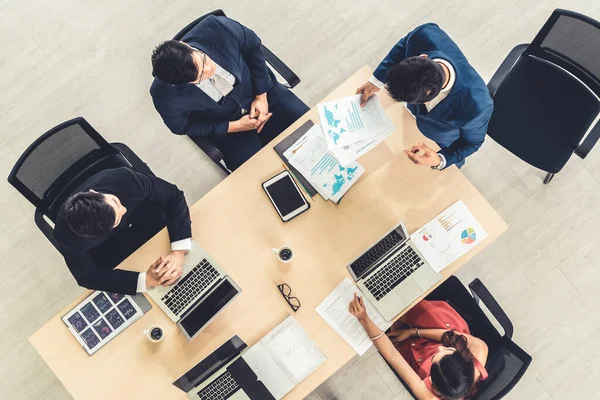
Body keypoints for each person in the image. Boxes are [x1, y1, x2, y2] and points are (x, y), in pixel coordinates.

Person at [150, 15, 309, 171]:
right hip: (229, 127)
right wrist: (234, 126)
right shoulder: (163, 94)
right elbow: (182, 126)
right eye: (200, 78)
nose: (209, 71)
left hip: (264, 93)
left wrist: (262, 96)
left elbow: (253, 46)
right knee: (255, 175)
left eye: (203, 61)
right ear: (173, 84)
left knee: (314, 130)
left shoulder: (218, 28)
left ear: (186, 45)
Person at [356, 23, 493, 170]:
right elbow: (403, 46)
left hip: (438, 140)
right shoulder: (425, 35)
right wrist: (376, 81)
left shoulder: (477, 107)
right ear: (422, 56)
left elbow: (472, 143)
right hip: (407, 123)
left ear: (429, 99)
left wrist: (439, 160)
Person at [54, 167, 193, 295]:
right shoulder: (68, 237)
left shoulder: (123, 180)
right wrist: (147, 280)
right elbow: (87, 278)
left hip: (146, 217)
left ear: (94, 193)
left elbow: (174, 196)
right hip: (113, 247)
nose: (124, 209)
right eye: (117, 219)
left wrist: (178, 252)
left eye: (115, 202)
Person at [349, 294, 488, 399]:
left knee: (391, 332)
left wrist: (363, 319)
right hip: (447, 332)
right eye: (447, 350)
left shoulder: (429, 397)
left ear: (432, 380)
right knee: (407, 308)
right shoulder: (480, 349)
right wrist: (413, 332)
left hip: (419, 355)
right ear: (463, 356)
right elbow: (449, 336)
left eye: (434, 357)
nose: (440, 348)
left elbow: (393, 356)